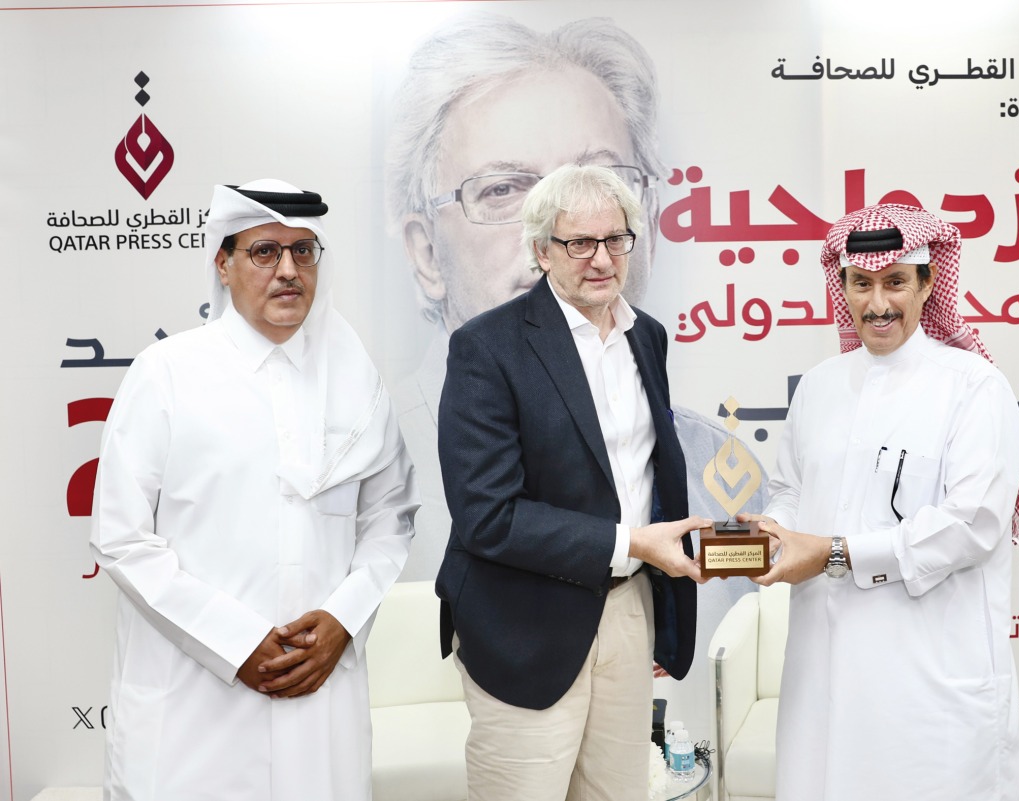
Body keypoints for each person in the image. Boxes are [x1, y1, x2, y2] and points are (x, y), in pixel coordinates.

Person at [383, 12, 767, 742]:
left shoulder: (711, 445)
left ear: (640, 224)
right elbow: (491, 519)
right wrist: (630, 544)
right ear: (426, 250)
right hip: (521, 657)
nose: (566, 231)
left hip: (628, 647)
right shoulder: (389, 457)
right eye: (502, 189)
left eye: (604, 187)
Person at [90, 179, 420, 801]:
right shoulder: (166, 374)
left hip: (320, 690)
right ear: (223, 263)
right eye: (265, 251)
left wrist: (343, 621)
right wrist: (236, 643)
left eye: (304, 251)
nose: (288, 270)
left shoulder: (356, 381)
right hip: (195, 696)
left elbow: (391, 517)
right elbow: (121, 538)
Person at [435, 164, 707, 800]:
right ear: (540, 251)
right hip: (524, 625)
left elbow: (646, 476)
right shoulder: (487, 347)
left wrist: (660, 595)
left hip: (628, 610)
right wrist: (634, 544)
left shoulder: (648, 337)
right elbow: (487, 514)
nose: (601, 260)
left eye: (615, 240)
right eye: (578, 243)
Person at [746, 204, 1019, 801]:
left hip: (926, 680)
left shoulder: (973, 386)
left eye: (896, 281)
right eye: (862, 283)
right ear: (841, 286)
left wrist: (832, 554)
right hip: (823, 674)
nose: (878, 303)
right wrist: (774, 532)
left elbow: (973, 525)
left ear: (928, 283)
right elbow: (793, 489)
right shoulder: (820, 386)